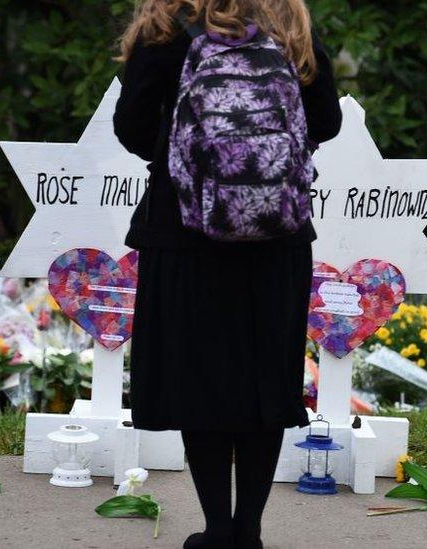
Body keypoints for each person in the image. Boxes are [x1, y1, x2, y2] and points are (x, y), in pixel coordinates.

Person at [114, 1, 341, 547]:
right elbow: (328, 121)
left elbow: (132, 128)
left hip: (184, 234)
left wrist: (199, 160)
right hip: (278, 235)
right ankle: (250, 532)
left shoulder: (165, 32)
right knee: (265, 383)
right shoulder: (289, 29)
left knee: (203, 384)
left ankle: (217, 529)